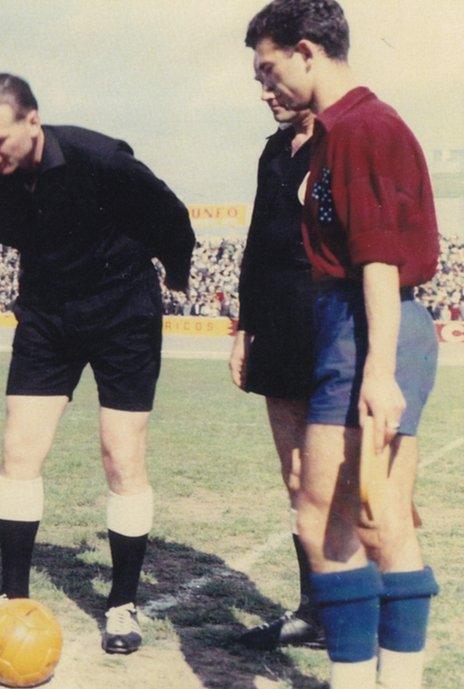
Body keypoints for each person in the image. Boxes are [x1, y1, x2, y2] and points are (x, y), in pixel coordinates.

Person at [0, 73, 194, 654]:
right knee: (19, 450)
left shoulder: (102, 160)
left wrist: (176, 280)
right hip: (48, 315)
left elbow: (172, 217)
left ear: (32, 121)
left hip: (123, 314)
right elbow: (21, 238)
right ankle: (11, 601)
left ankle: (121, 605)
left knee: (121, 454)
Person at [245, 2, 440, 688]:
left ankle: (376, 678)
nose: (264, 85)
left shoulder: (363, 128)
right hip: (350, 326)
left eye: (269, 69)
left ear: (307, 51)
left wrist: (378, 371)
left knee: (334, 519)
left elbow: (379, 261)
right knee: (367, 517)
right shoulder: (335, 133)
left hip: (369, 325)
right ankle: (375, 677)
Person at [229, 74, 323, 650]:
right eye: (258, 82)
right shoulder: (272, 151)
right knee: (295, 477)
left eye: (272, 78)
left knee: (346, 480)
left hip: (332, 320)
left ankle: (361, 607)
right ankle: (313, 611)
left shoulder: (344, 140)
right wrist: (244, 328)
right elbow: (258, 244)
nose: (265, 93)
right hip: (278, 325)